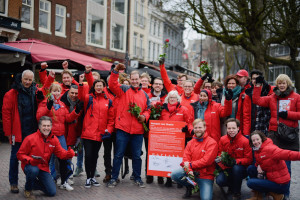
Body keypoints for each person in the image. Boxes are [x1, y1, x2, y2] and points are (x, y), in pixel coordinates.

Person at [252, 74, 300, 199]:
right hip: (274, 134)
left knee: (287, 165)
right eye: (279, 83)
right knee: (271, 164)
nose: (282, 85)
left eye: (284, 83)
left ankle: (286, 194)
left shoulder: (296, 97)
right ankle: (272, 192)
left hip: (289, 136)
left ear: (288, 84)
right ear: (277, 84)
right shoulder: (272, 97)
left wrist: (288, 114)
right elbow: (256, 100)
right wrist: (257, 85)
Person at [107, 64, 150, 188]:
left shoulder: (144, 95)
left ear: (140, 80)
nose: (135, 81)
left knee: (137, 156)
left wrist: (145, 117)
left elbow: (148, 109)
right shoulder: (124, 89)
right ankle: (114, 178)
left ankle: (137, 178)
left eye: (137, 79)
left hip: (137, 131)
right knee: (118, 154)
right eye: (133, 79)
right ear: (130, 79)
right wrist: (115, 71)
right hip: (123, 129)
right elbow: (112, 85)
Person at [2, 70, 45, 193]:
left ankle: (31, 183)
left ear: (32, 80)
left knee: (32, 158)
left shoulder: (35, 91)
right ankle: (13, 183)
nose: (27, 82)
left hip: (32, 132)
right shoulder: (11, 93)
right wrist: (8, 133)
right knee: (15, 157)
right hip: (18, 132)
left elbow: (42, 102)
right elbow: (6, 115)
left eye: (30, 80)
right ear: (21, 78)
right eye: (25, 79)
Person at [16, 116, 75, 199]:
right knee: (33, 170)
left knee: (51, 192)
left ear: (51, 127)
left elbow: (61, 153)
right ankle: (28, 190)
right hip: (30, 166)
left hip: (43, 168)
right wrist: (31, 160)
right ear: (39, 127)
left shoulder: (54, 139)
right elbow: (19, 154)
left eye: (48, 126)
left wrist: (69, 154)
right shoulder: (30, 138)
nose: (46, 128)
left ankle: (32, 183)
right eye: (44, 126)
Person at [36, 83, 81, 191]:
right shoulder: (44, 103)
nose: (56, 93)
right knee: (49, 159)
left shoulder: (62, 104)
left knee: (64, 158)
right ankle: (49, 179)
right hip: (49, 136)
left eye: (58, 91)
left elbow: (68, 119)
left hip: (60, 136)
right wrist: (48, 106)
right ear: (50, 92)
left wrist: (76, 111)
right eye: (54, 91)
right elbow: (39, 116)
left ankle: (64, 181)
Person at [78, 79, 115, 188]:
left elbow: (111, 119)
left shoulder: (108, 101)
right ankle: (88, 178)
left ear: (104, 87)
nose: (99, 87)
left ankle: (92, 178)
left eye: (101, 86)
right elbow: (80, 97)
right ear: (94, 87)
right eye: (97, 85)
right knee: (88, 156)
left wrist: (108, 130)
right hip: (88, 133)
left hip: (100, 135)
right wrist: (80, 84)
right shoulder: (88, 98)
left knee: (94, 156)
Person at [171, 119, 218, 200]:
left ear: (204, 128)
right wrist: (189, 170)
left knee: (206, 198)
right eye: (195, 128)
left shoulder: (212, 143)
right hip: (192, 174)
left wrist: (190, 165)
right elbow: (185, 159)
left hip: (205, 176)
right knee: (174, 175)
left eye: (200, 127)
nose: (198, 130)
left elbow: (207, 161)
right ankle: (190, 186)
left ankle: (201, 187)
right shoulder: (190, 143)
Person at [246, 130, 300, 200]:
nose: (256, 142)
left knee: (250, 182)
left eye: (257, 139)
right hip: (271, 177)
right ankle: (258, 196)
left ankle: (278, 195)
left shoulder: (270, 149)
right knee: (251, 168)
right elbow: (263, 161)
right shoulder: (258, 150)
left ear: (262, 139)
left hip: (280, 184)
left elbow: (289, 154)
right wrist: (259, 165)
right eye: (253, 140)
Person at [159, 90, 191, 187]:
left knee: (179, 159)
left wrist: (186, 127)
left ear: (178, 99)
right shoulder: (163, 110)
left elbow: (189, 122)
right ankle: (168, 179)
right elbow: (159, 122)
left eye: (174, 97)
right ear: (167, 99)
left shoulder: (184, 109)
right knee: (167, 159)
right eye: (170, 97)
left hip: (179, 140)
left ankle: (179, 180)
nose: (172, 99)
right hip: (167, 139)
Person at [216, 118, 252, 200]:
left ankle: (237, 192)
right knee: (219, 181)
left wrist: (236, 161)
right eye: (229, 128)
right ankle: (231, 186)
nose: (231, 130)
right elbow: (219, 154)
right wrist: (222, 161)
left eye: (233, 128)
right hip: (226, 167)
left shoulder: (245, 141)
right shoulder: (222, 139)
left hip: (240, 169)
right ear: (226, 128)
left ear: (238, 128)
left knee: (236, 169)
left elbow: (249, 159)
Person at [145, 77, 167, 184]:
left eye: (160, 84)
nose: (158, 86)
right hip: (149, 129)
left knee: (161, 153)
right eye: (156, 84)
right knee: (149, 153)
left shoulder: (166, 97)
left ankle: (160, 175)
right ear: (152, 85)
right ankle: (149, 175)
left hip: (162, 130)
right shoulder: (147, 96)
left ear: (162, 86)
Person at [60, 85, 84, 177]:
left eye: (76, 93)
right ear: (68, 92)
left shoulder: (80, 101)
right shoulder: (63, 101)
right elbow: (68, 118)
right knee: (63, 153)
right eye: (72, 93)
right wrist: (76, 110)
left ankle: (74, 169)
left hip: (76, 131)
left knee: (76, 151)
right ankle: (62, 174)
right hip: (65, 131)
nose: (74, 95)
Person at [242, 70, 274, 137]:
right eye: (253, 78)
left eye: (258, 78)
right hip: (255, 126)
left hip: (269, 127)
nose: (256, 80)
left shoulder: (270, 90)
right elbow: (246, 115)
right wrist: (246, 133)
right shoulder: (248, 94)